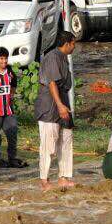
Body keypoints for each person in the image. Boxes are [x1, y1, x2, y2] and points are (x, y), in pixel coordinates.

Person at [35, 31, 78, 190]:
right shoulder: (52, 57)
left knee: (66, 139)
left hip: (63, 99)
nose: (74, 47)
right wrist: (60, 105)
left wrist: (63, 105)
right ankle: (44, 180)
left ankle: (63, 176)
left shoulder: (63, 58)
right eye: (73, 43)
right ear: (67, 43)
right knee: (49, 143)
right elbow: (52, 83)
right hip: (50, 104)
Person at [0, 48, 23, 168]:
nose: (4, 61)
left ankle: (12, 158)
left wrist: (10, 97)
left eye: (6, 58)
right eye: (1, 58)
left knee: (12, 133)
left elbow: (13, 86)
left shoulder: (10, 72)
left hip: (8, 110)